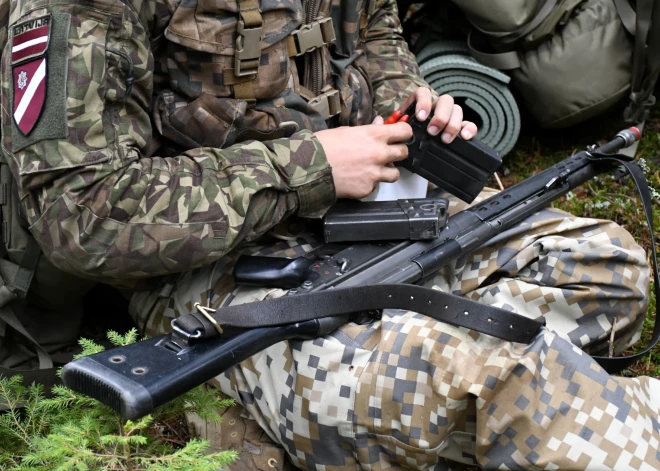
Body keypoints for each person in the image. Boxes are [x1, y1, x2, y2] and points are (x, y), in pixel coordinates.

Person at [0, 0, 658, 469]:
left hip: (376, 212)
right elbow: (80, 214)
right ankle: (466, 386)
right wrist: (310, 167)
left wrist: (410, 103)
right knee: (492, 370)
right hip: (221, 275)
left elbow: (372, 31)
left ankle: (439, 392)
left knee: (607, 271)